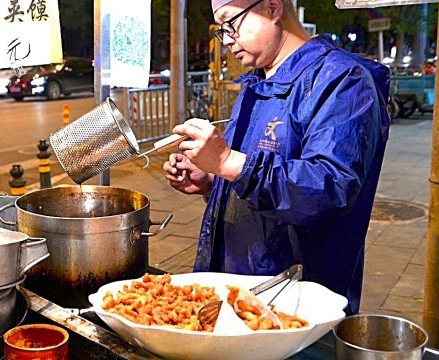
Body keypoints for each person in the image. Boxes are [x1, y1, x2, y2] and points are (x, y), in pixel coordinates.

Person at [163, 0, 390, 315]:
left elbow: (329, 190)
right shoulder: (256, 84)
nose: (227, 38)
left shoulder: (342, 81)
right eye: (220, 29)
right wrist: (214, 180)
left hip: (296, 301)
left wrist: (228, 162)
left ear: (272, 7)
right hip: (236, 283)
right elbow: (251, 172)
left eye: (231, 23)